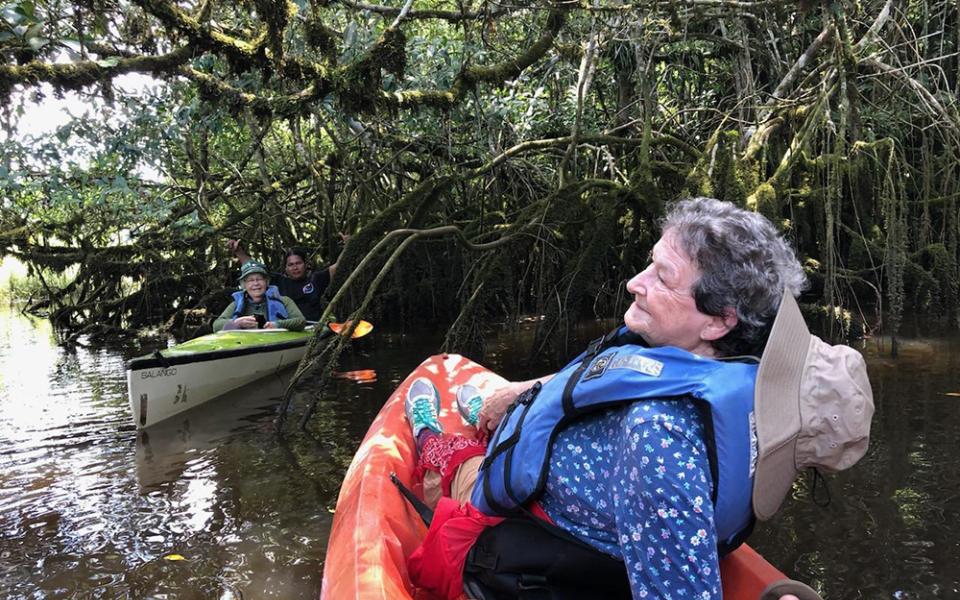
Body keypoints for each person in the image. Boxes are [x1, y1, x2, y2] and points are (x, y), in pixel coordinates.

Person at [400, 197, 874, 600]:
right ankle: (497, 409)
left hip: (517, 525)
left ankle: (431, 443)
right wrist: (524, 394)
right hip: (562, 469)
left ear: (718, 321)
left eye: (663, 278)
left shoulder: (661, 437)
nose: (636, 282)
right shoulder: (726, 371)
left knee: (464, 465)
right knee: (513, 410)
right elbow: (592, 380)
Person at [227, 236, 347, 322]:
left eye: (298, 263)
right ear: (285, 268)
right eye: (290, 265)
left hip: (313, 326)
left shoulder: (316, 279)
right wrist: (238, 252)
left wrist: (349, 245)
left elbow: (338, 267)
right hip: (287, 328)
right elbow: (253, 268)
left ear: (306, 264)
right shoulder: (279, 282)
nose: (295, 267)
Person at [212, 260, 306, 332]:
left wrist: (276, 324)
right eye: (251, 280)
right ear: (244, 285)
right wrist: (237, 322)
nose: (256, 283)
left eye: (259, 279)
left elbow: (301, 321)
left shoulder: (284, 301)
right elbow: (216, 325)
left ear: (266, 282)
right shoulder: (236, 304)